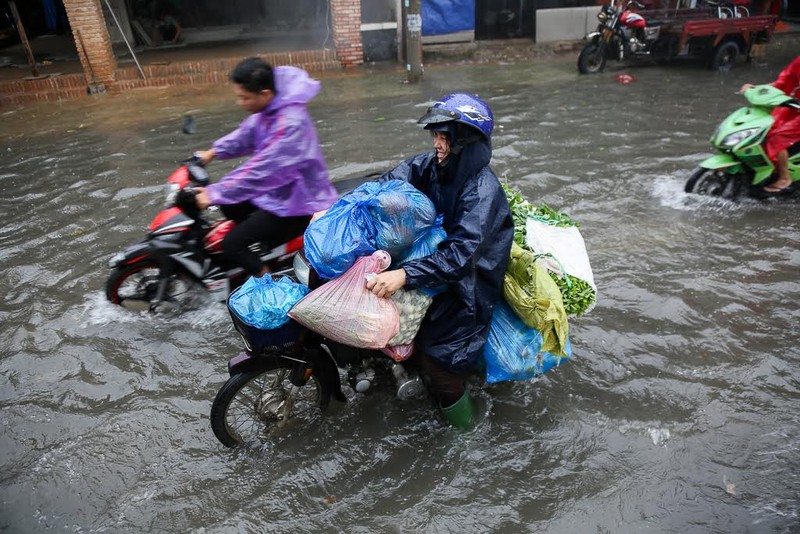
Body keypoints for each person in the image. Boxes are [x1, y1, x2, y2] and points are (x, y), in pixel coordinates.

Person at [364, 93, 515, 428]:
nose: (437, 143)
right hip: (436, 268)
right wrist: (351, 206)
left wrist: (404, 275)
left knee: (440, 362)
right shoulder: (436, 167)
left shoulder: (480, 192)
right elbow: (397, 178)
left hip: (469, 287)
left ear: (465, 141)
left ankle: (465, 432)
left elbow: (461, 256)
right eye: (436, 135)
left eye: (444, 136)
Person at [192, 57, 338, 278]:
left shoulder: (290, 123)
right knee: (230, 205)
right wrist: (213, 152)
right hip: (279, 193)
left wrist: (214, 192)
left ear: (265, 94)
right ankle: (264, 244)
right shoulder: (269, 110)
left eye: (244, 97)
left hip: (299, 203)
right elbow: (246, 134)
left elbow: (261, 171)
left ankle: (269, 283)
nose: (240, 103)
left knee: (232, 244)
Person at [740, 55, 800, 193]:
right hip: (793, 107)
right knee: (764, 129)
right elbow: (782, 83)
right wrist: (755, 88)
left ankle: (785, 177)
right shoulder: (798, 62)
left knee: (776, 137)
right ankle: (767, 169)